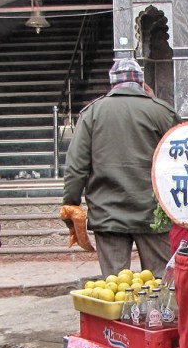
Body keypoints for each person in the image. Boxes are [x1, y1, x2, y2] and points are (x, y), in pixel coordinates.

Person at [63, 58, 181, 278]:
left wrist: (70, 204)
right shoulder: (162, 112)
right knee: (161, 283)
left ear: (112, 84)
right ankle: (157, 314)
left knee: (115, 284)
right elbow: (182, 159)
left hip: (108, 214)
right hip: (153, 213)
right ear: (142, 83)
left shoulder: (92, 113)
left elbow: (76, 166)